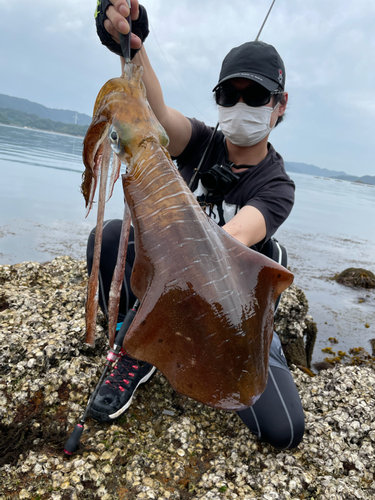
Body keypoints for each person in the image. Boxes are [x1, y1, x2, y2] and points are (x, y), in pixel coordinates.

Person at [87, 0, 305, 450]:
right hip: (171, 284)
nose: (241, 104)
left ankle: (264, 339)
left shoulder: (276, 185)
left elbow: (235, 236)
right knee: (108, 238)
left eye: (256, 96)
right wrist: (131, 45)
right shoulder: (201, 143)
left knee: (282, 429)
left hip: (230, 306)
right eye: (230, 95)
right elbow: (156, 113)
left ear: (280, 105)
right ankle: (140, 351)